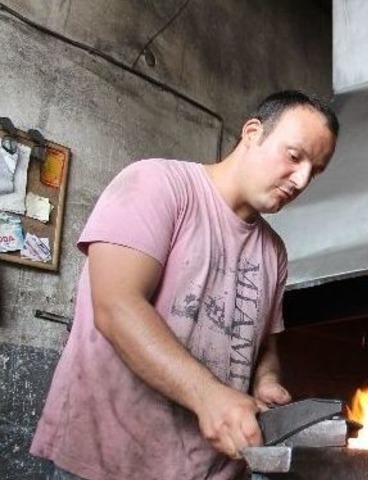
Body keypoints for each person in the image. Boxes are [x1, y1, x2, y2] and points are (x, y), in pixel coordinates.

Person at [31, 90, 339, 480]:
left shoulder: (274, 252)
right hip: (112, 464)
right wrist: (209, 395)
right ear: (252, 132)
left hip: (210, 471)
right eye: (295, 157)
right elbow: (115, 306)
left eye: (316, 170)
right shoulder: (157, 184)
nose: (301, 179)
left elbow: (266, 346)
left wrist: (267, 381)